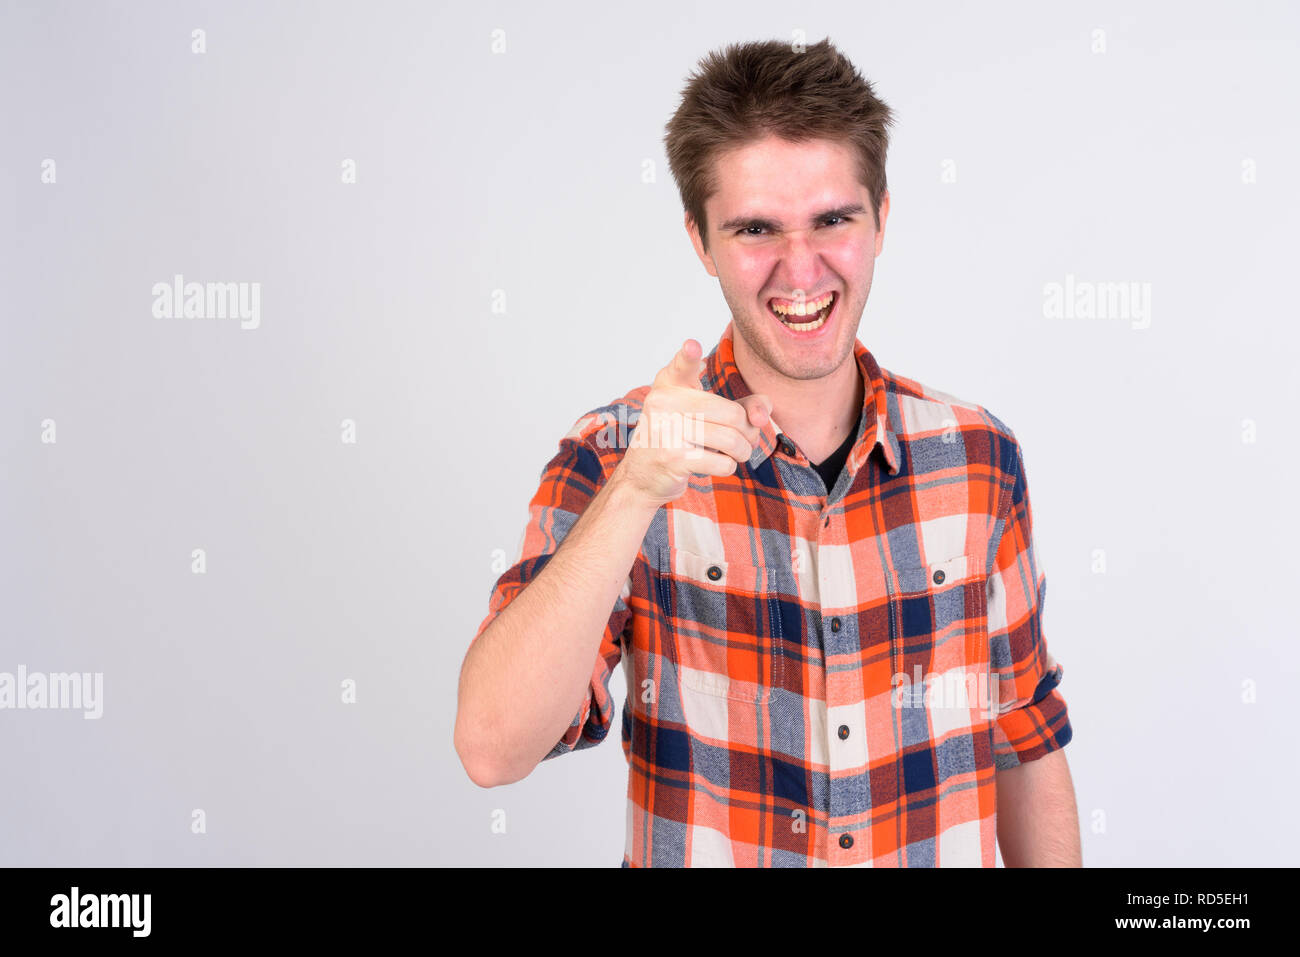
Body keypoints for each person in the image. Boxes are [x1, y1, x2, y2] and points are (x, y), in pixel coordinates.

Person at [455, 37, 1079, 867]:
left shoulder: (978, 456)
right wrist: (637, 491)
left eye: (833, 219)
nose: (800, 267)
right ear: (700, 241)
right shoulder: (615, 457)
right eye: (755, 228)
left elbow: (1022, 739)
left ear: (881, 220)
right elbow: (493, 747)